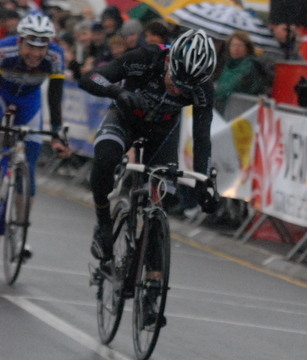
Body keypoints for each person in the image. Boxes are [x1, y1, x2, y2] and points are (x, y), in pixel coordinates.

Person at [80, 29, 221, 286]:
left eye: (187, 87)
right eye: (176, 81)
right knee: (105, 158)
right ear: (169, 61)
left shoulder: (202, 88)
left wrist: (204, 182)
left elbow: (202, 138)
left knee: (159, 202)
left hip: (163, 133)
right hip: (126, 119)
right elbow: (90, 78)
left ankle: (154, 280)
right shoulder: (145, 57)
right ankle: (103, 222)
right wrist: (118, 92)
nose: (179, 91)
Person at [0, 14, 71, 257]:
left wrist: (57, 133)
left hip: (30, 102)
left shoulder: (55, 55)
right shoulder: (4, 50)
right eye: (30, 46)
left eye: (42, 48)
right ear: (19, 41)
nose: (35, 54)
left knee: (28, 163)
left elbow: (55, 93)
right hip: (2, 95)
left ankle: (20, 233)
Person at [214, 30, 267, 114]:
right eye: (233, 45)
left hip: (242, 111)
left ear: (247, 48)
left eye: (240, 46)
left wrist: (216, 88)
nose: (236, 49)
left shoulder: (250, 65)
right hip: (227, 110)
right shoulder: (228, 64)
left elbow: (227, 89)